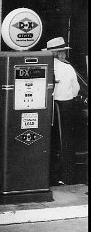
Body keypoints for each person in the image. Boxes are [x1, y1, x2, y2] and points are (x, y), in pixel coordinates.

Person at [43, 37, 80, 185]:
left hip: (48, 107)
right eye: (63, 52)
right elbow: (76, 90)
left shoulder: (45, 65)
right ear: (59, 53)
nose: (64, 55)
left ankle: (52, 176)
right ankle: (66, 177)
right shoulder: (67, 67)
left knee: (51, 142)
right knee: (66, 142)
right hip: (65, 106)